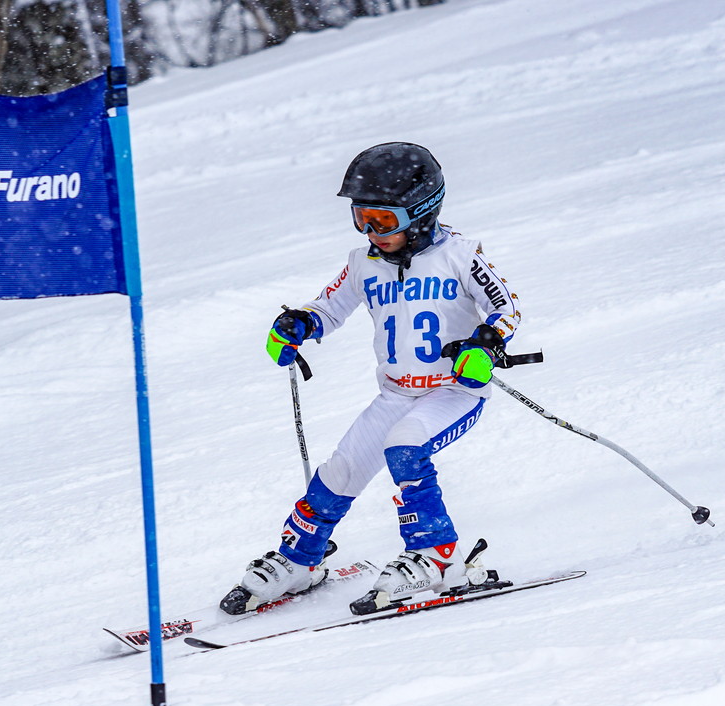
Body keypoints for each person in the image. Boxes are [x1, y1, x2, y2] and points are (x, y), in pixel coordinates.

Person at [220, 142, 522, 617]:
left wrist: (484, 345)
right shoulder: (364, 263)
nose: (370, 232)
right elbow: (330, 307)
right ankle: (302, 560)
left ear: (420, 213)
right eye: (362, 219)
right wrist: (301, 323)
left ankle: (437, 555)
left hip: (454, 392)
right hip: (395, 394)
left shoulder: (461, 255)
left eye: (383, 221)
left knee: (406, 446)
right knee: (339, 471)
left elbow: (508, 307)